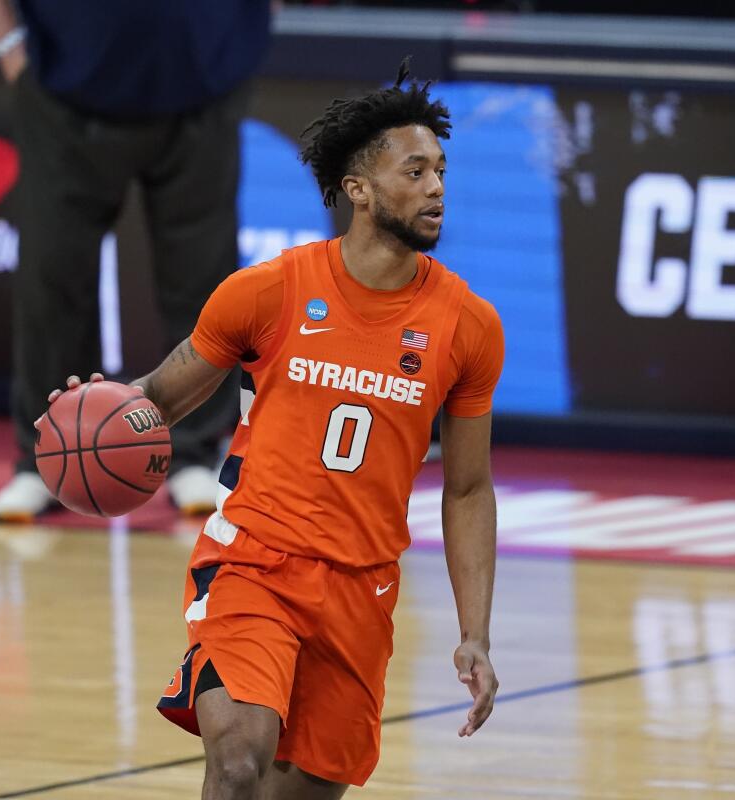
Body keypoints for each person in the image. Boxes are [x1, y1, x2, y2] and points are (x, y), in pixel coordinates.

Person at [46, 63, 504, 798]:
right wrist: (91, 413)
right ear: (358, 189)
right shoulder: (269, 291)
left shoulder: (469, 326)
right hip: (254, 563)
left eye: (441, 170)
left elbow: (470, 487)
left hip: (361, 590)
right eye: (414, 171)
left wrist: (474, 631)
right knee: (235, 765)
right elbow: (158, 399)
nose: (436, 187)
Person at [0, 0, 272, 520]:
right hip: (64, 89)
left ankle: (195, 454)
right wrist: (7, 45)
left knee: (203, 280)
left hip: (205, 83)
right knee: (52, 275)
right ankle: (43, 459)